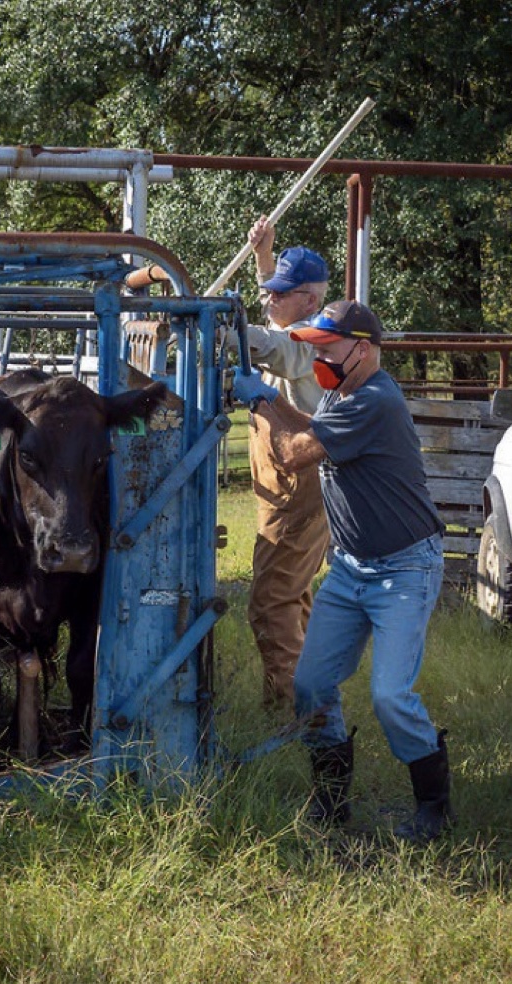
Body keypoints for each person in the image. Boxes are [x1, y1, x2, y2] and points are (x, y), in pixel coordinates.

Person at [232, 299, 453, 843]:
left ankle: (434, 806)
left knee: (390, 696)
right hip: (352, 568)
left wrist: (260, 405)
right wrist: (273, 401)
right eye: (313, 347)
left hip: (404, 567)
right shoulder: (343, 390)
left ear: (363, 348)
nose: (317, 357)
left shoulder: (374, 399)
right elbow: (312, 425)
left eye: (326, 348)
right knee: (310, 684)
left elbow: (293, 453)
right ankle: (331, 802)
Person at [232, 216, 332, 712]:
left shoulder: (313, 338)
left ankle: (296, 718)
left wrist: (219, 322)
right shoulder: (308, 321)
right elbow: (276, 325)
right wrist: (263, 258)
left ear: (309, 300)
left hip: (300, 479)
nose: (269, 298)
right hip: (299, 478)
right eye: (268, 290)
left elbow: (272, 343)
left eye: (280, 292)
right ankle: (310, 701)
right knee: (294, 598)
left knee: (272, 601)